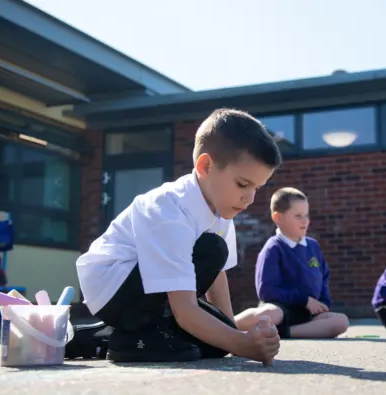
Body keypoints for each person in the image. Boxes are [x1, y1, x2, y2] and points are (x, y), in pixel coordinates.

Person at [71, 108, 283, 364]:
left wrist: (232, 334)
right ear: (205, 166)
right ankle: (128, 335)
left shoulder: (221, 206)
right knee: (197, 337)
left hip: (152, 289)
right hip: (113, 289)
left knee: (215, 342)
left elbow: (217, 274)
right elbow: (185, 310)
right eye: (242, 184)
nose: (249, 199)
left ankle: (122, 336)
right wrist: (242, 344)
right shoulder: (168, 211)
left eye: (257, 188)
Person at [235, 187, 349, 339]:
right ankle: (227, 324)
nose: (305, 221)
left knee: (341, 321)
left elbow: (324, 278)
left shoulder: (313, 246)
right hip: (281, 311)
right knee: (270, 314)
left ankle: (286, 333)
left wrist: (323, 304)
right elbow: (266, 291)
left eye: (306, 215)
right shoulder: (273, 248)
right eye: (298, 216)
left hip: (308, 316)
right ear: (278, 218)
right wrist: (304, 300)